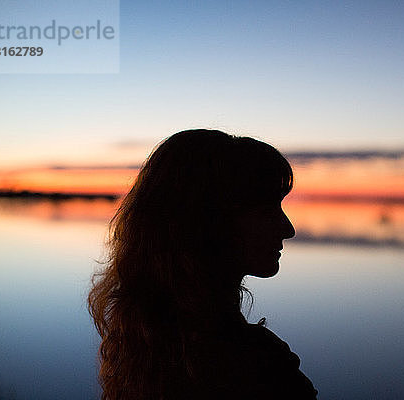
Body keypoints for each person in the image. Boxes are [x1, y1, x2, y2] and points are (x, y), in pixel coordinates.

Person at [88, 129, 317, 399]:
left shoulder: (143, 344)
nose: (287, 229)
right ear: (208, 223)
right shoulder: (253, 367)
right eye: (266, 211)